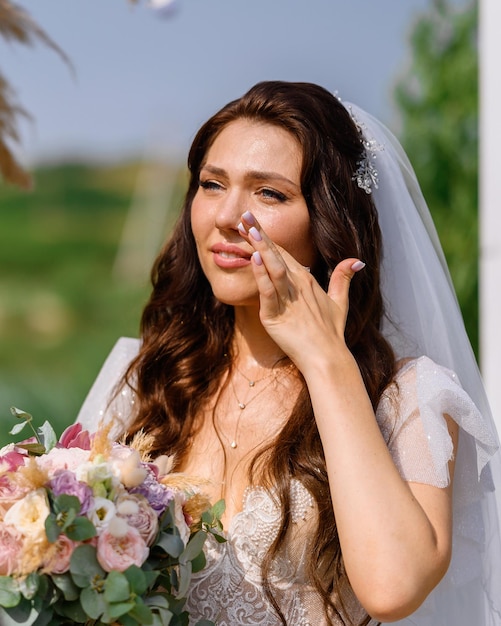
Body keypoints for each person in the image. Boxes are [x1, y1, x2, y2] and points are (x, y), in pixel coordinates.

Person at [77, 81, 501, 626]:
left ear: (328, 218)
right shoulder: (147, 377)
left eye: (268, 193)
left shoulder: (411, 399)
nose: (228, 215)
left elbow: (394, 588)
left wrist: (327, 362)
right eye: (211, 184)